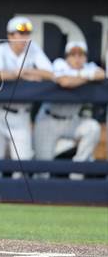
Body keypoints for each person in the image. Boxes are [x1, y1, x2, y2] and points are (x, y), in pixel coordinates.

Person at [0, 16, 53, 179]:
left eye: (27, 33)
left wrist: (25, 72)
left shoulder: (33, 48)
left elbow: (50, 74)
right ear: (10, 35)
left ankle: (19, 201)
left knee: (22, 165)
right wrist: (19, 73)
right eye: (20, 33)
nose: (24, 38)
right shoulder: (0, 50)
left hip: (22, 113)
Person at [34, 41, 105, 180]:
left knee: (93, 128)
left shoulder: (89, 66)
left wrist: (80, 76)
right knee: (43, 171)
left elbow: (101, 74)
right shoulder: (59, 64)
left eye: (81, 54)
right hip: (48, 121)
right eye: (73, 54)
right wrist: (86, 77)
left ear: (86, 57)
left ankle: (77, 173)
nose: (77, 58)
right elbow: (65, 82)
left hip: (72, 120)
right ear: (67, 57)